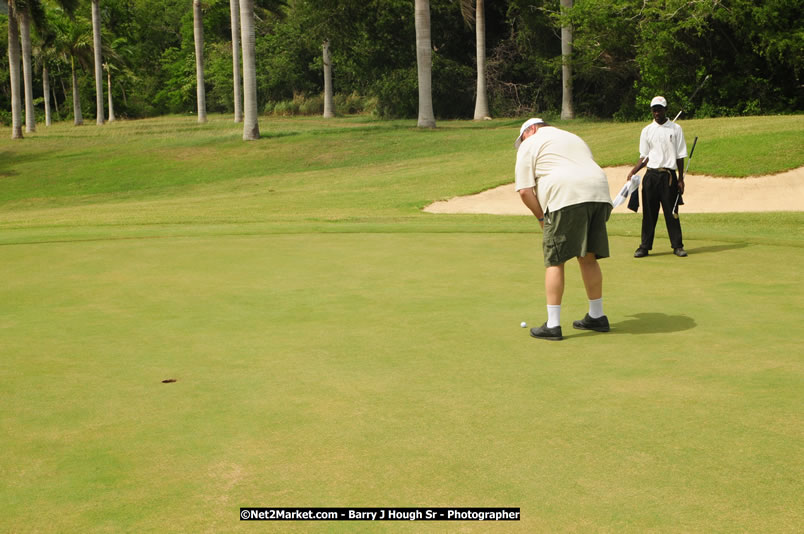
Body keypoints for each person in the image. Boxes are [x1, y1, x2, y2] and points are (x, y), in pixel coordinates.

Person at [514, 118, 613, 341]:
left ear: (532, 129)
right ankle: (597, 316)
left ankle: (553, 325)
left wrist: (542, 218)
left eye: (522, 138)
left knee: (555, 260)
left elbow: (524, 191)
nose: (522, 143)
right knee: (588, 256)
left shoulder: (531, 143)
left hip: (565, 196)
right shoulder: (573, 137)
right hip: (599, 194)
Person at [627, 96, 688, 258]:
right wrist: (634, 170)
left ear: (665, 110)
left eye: (659, 109)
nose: (656, 112)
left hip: (668, 176)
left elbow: (680, 156)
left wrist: (680, 179)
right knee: (649, 213)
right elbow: (644, 156)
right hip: (651, 176)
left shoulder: (676, 129)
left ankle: (677, 246)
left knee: (672, 212)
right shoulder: (647, 130)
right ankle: (644, 246)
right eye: (654, 109)